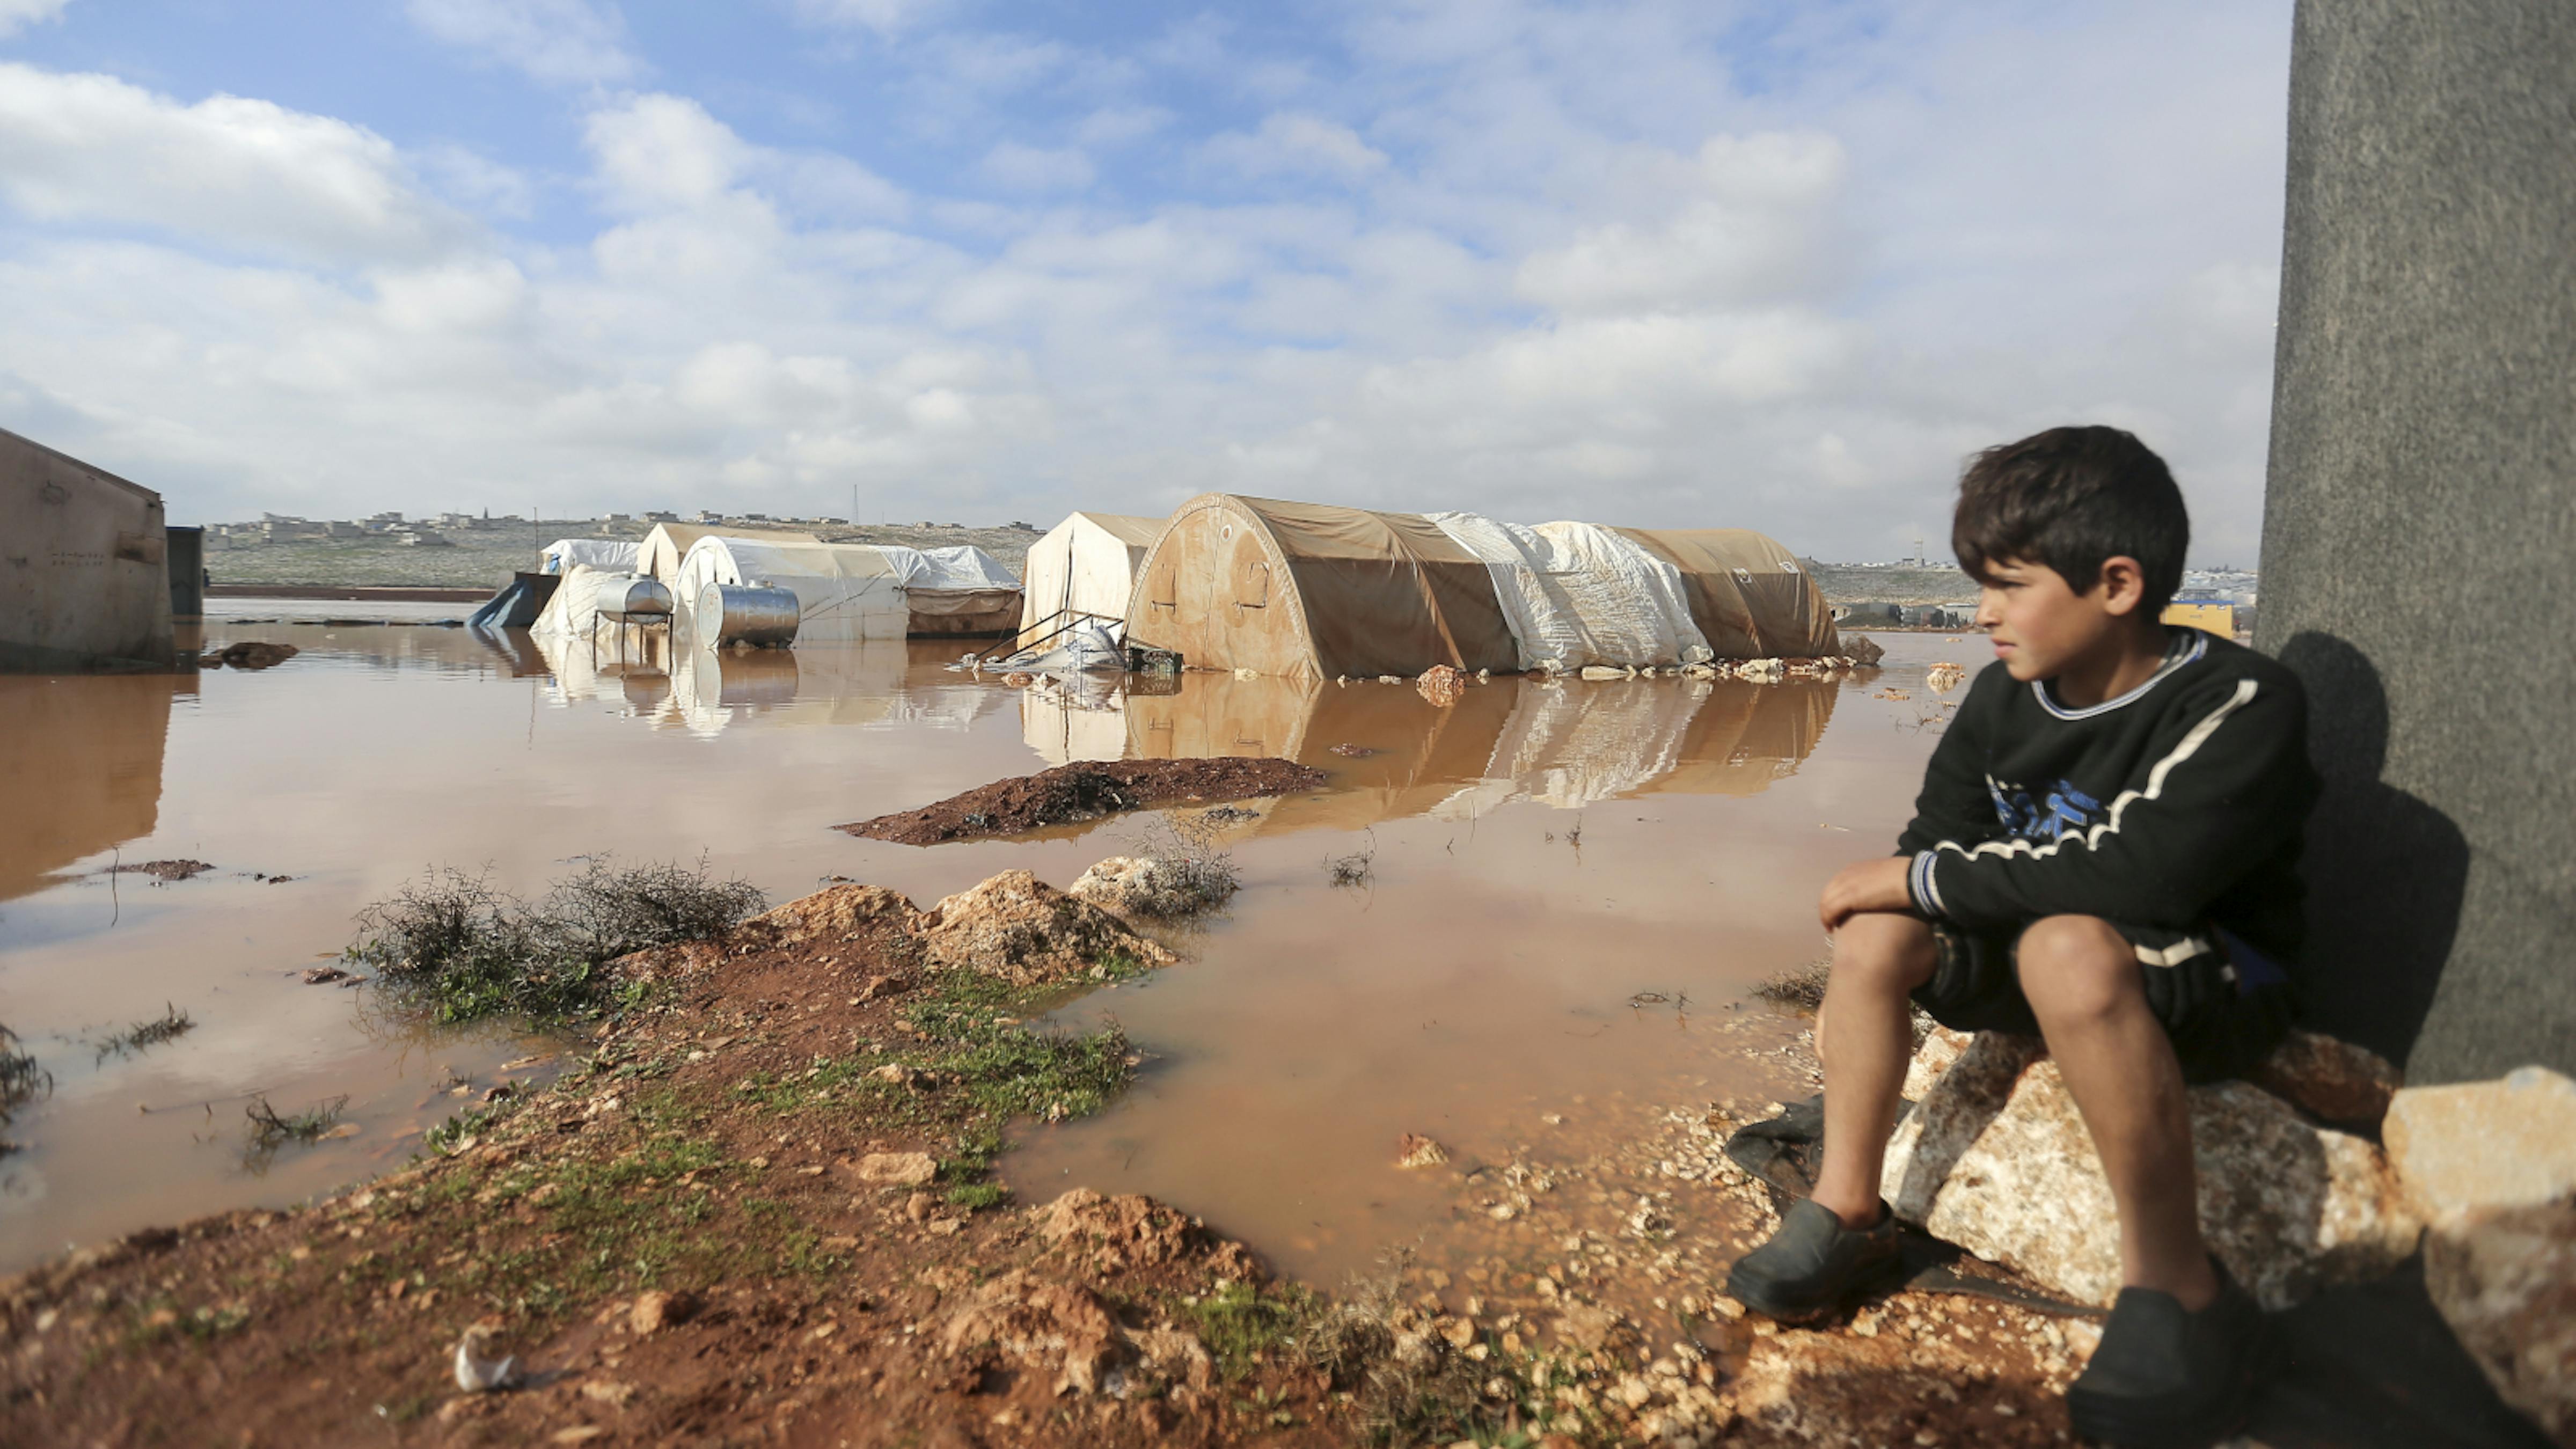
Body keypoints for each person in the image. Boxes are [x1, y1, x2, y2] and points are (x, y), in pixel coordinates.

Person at [1725, 426, 2318, 1448]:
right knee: (1879, 932)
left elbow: (2154, 877)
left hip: (2209, 976)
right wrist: (1910, 884)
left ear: (2118, 584)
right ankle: (1848, 1215)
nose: (1982, 613)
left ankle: (2180, 1294)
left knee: (2056, 943)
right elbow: (1936, 846)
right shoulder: (2006, 697)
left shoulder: (2238, 700)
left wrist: (1922, 874)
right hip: (2062, 957)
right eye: (1978, 587)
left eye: (2008, 586)